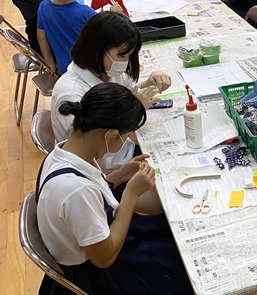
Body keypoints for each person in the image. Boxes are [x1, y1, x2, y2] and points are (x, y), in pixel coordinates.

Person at [37, 83, 196, 295]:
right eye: (126, 135)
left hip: (96, 242)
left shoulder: (66, 152)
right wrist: (131, 193)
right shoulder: (75, 191)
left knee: (173, 230)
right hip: (97, 275)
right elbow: (105, 258)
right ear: (111, 135)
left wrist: (120, 175)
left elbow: (93, 193)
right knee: (187, 267)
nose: (125, 142)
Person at [52, 11, 171, 173]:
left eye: (129, 55)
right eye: (122, 55)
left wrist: (150, 80)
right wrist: (137, 111)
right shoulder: (71, 94)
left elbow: (131, 89)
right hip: (107, 167)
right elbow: (98, 156)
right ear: (97, 49)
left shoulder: (107, 70)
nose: (126, 62)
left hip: (123, 148)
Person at [37, 0, 97, 75]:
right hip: (88, 72)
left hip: (63, 71)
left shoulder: (44, 6)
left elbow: (41, 36)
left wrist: (50, 63)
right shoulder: (87, 13)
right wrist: (114, 14)